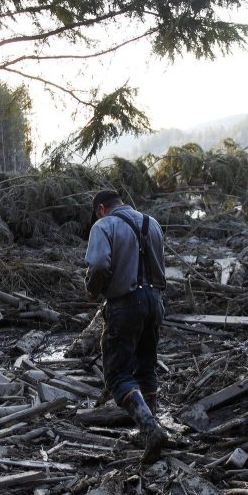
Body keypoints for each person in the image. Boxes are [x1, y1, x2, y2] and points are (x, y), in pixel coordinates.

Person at [85, 189, 168, 462]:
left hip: (125, 304)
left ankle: (150, 428)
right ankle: (150, 427)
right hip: (154, 302)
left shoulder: (104, 225)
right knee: (146, 366)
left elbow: (98, 265)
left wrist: (93, 289)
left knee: (118, 375)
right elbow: (160, 265)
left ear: (101, 209)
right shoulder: (151, 222)